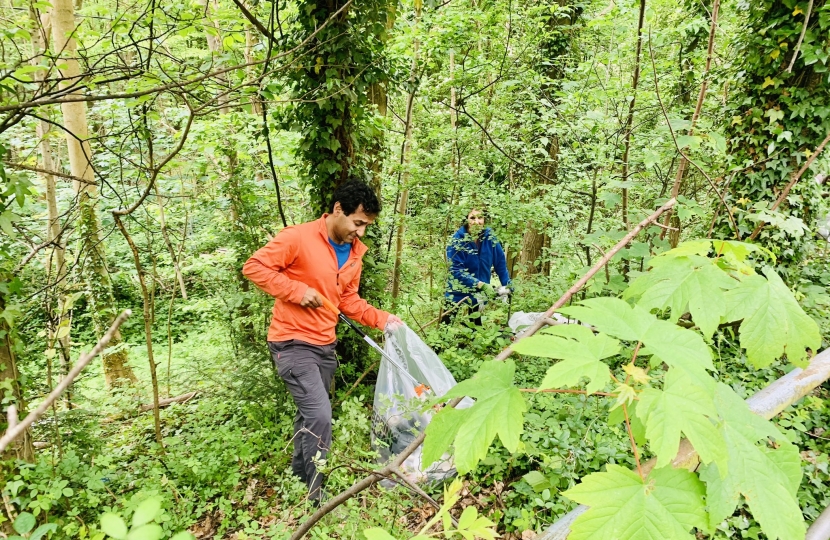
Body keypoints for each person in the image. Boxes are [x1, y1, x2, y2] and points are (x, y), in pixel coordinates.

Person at [242, 180, 403, 503]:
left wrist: (383, 319)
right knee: (319, 416)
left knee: (308, 417)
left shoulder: (355, 253)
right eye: (358, 223)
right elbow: (254, 267)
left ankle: (298, 478)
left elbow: (348, 301)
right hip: (291, 342)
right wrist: (298, 292)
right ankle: (315, 497)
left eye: (367, 226)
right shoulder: (297, 238)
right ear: (338, 210)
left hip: (324, 345)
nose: (361, 233)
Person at [443, 208, 512, 326]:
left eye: (480, 218)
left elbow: (500, 263)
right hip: (457, 289)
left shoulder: (490, 238)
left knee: (476, 326)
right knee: (446, 324)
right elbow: (455, 270)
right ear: (466, 220)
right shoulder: (457, 240)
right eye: (472, 218)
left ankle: (470, 340)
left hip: (479, 293)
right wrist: (480, 284)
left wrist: (507, 284)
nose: (477, 222)